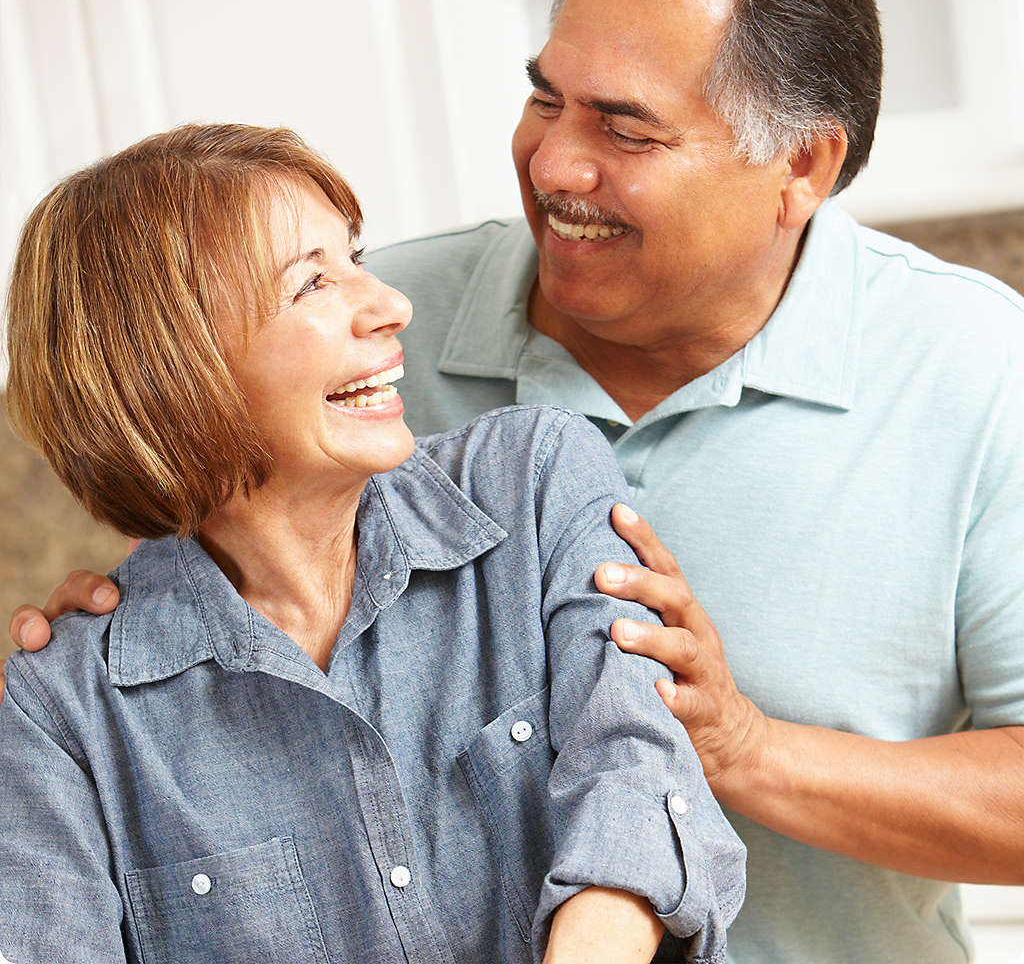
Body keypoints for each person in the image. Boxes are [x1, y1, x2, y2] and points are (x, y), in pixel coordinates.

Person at [8, 0, 1024, 961]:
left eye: (625, 128)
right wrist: (94, 649)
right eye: (546, 100)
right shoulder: (379, 336)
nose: (552, 164)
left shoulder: (977, 369)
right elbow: (184, 443)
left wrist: (744, 748)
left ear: (800, 165)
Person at [0, 123, 746, 964]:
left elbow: (637, 773)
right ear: (171, 366)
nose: (391, 306)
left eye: (355, 257)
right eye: (312, 284)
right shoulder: (67, 708)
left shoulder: (535, 480)